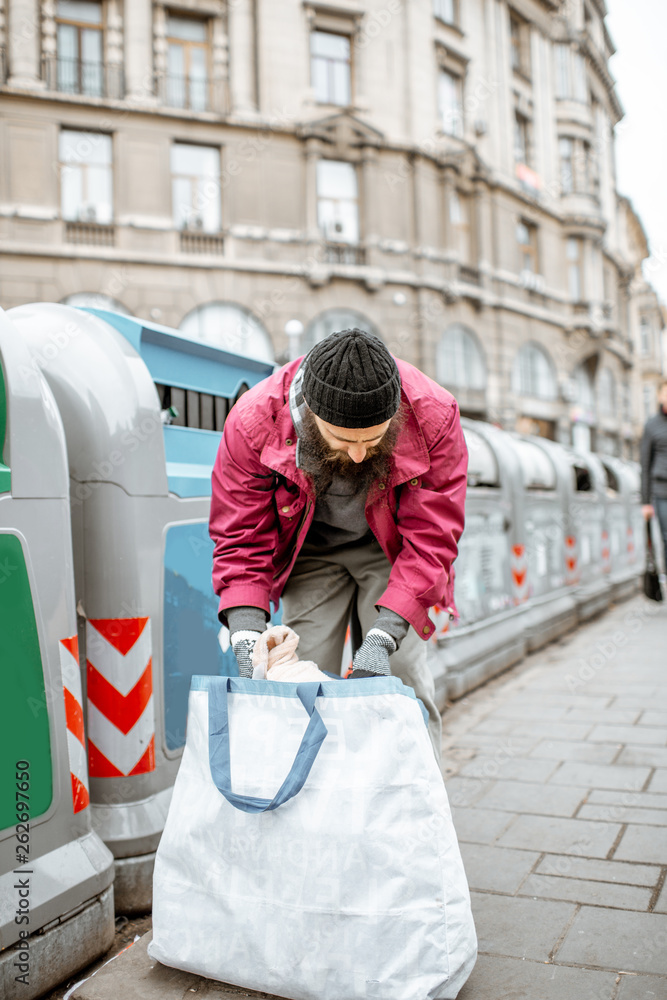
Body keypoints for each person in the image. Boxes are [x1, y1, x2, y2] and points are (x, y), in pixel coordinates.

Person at [209, 329, 468, 758]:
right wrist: (245, 633)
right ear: (310, 415)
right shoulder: (253, 421)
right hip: (308, 550)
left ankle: (415, 811)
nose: (360, 455)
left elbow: (433, 535)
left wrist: (384, 637)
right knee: (300, 677)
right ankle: (316, 806)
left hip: (393, 548)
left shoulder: (434, 415)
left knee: (399, 677)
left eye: (374, 439)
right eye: (344, 440)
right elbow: (241, 536)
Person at [640, 377, 667, 573]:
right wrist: (646, 502)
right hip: (662, 491)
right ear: (659, 396)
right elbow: (645, 464)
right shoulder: (652, 425)